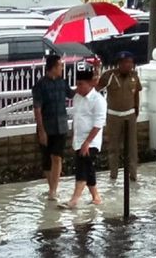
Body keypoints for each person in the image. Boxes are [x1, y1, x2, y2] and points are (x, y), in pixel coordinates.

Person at [60, 62, 107, 209]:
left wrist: (87, 142)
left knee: (82, 168)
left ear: (90, 84)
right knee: (88, 168)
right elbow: (77, 119)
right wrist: (74, 138)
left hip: (91, 141)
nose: (78, 88)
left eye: (81, 84)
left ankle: (74, 199)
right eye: (77, 84)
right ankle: (96, 197)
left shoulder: (98, 100)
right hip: (78, 139)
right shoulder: (78, 98)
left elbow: (98, 124)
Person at [32, 55, 75, 201]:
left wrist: (91, 80)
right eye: (60, 66)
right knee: (47, 159)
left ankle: (54, 189)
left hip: (61, 125)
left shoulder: (63, 82)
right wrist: (41, 130)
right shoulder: (40, 85)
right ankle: (52, 187)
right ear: (53, 67)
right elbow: (37, 109)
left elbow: (72, 94)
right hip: (47, 125)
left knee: (57, 157)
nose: (62, 68)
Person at [96, 51, 142, 181]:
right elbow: (96, 89)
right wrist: (95, 70)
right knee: (113, 147)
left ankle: (133, 175)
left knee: (132, 147)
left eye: (130, 62)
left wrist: (136, 109)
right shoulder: (109, 76)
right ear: (119, 64)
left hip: (130, 115)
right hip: (113, 116)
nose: (128, 65)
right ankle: (113, 174)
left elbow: (136, 93)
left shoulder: (134, 76)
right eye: (125, 63)